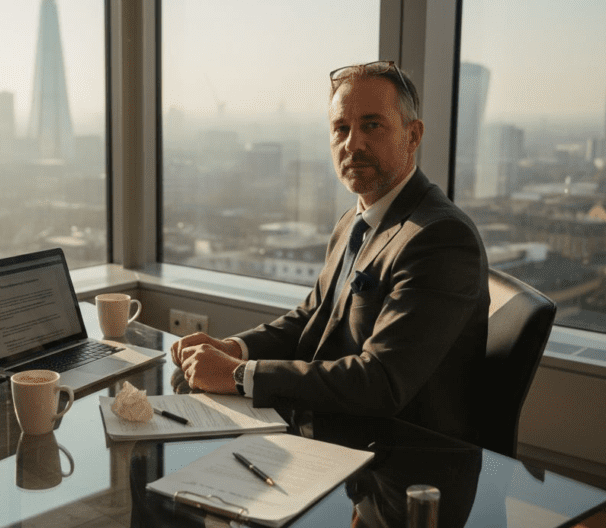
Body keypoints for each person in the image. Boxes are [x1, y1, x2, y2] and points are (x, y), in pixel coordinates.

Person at [171, 62, 489, 441]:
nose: (353, 144)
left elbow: (382, 382)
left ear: (413, 134)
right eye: (341, 129)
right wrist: (235, 349)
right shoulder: (352, 222)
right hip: (333, 430)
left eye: (372, 125)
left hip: (399, 457)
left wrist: (240, 376)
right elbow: (312, 316)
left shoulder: (440, 237)